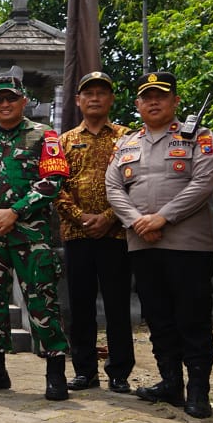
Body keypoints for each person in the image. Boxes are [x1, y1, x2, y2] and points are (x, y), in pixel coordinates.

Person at [105, 71, 213, 418]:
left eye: (161, 95)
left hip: (188, 246)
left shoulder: (198, 137)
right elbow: (113, 187)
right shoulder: (126, 144)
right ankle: (171, 382)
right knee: (157, 317)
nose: (153, 102)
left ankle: (198, 390)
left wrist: (163, 218)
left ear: (175, 101)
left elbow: (204, 181)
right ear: (138, 104)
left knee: (193, 317)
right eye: (147, 97)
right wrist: (137, 221)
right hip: (142, 245)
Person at [0, 76, 72, 401]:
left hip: (31, 235)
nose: (5, 104)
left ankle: (56, 373)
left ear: (24, 101)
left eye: (11, 98)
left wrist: (15, 212)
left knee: (43, 301)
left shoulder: (44, 136)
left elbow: (53, 180)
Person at [55, 72, 135, 393]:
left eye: (102, 93)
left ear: (111, 99)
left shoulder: (127, 137)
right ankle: (84, 371)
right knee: (80, 306)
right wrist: (81, 217)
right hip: (77, 235)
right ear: (78, 100)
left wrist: (109, 217)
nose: (95, 98)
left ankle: (119, 372)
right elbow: (55, 186)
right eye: (89, 93)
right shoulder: (63, 141)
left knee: (117, 305)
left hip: (116, 234)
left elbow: (135, 183)